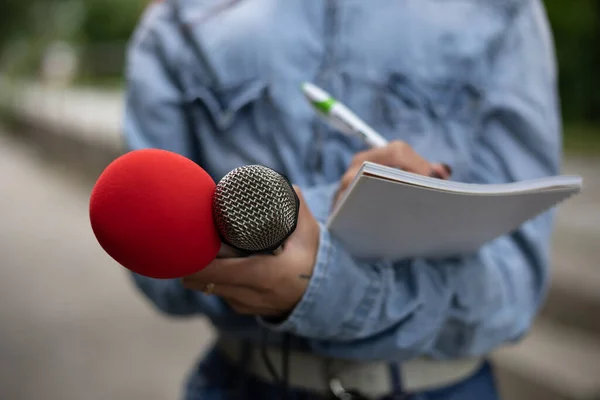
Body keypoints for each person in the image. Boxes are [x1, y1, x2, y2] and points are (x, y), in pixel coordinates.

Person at [122, 0, 561, 399]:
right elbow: (153, 264)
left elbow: (516, 288)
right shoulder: (181, 16)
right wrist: (328, 232)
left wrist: (327, 273)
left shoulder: (503, 10)